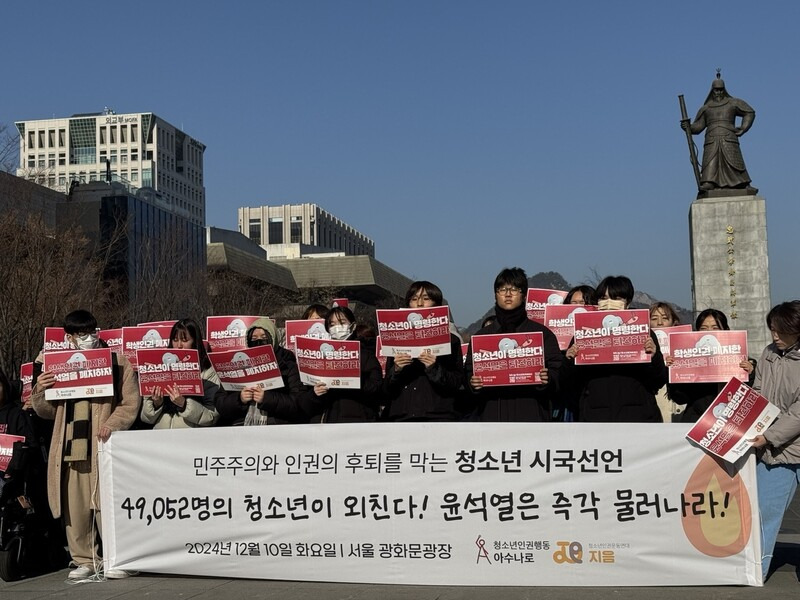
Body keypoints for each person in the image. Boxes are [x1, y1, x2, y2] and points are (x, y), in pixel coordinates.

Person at [30, 310, 141, 580]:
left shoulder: (117, 362)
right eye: (82, 334)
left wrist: (113, 423)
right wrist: (40, 389)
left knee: (107, 506)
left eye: (92, 332)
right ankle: (85, 558)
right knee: (75, 509)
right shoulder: (57, 364)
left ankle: (118, 557)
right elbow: (47, 411)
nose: (89, 338)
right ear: (69, 337)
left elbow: (130, 403)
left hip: (102, 445)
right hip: (71, 446)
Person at [561, 276, 666, 422]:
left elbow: (659, 380)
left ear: (627, 302)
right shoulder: (582, 333)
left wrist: (654, 357)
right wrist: (569, 360)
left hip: (638, 416)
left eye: (616, 298)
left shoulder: (644, 332)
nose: (609, 302)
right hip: (595, 416)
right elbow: (567, 382)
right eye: (603, 298)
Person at [464, 268, 562, 422]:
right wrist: (472, 383)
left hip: (531, 415)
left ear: (524, 295)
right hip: (492, 416)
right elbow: (468, 373)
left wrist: (548, 379)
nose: (508, 294)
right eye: (502, 289)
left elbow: (559, 372)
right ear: (495, 295)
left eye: (514, 289)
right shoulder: (481, 337)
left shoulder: (542, 334)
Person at [748, 301, 800, 579]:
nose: (775, 336)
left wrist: (769, 436)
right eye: (772, 329)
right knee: (761, 512)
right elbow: (758, 392)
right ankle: (755, 569)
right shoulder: (768, 353)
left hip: (775, 441)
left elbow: (798, 413)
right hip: (775, 451)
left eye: (781, 330)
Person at [382, 281, 465, 421]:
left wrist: (434, 368)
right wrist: (396, 370)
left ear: (436, 304)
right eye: (414, 299)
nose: (419, 304)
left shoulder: (451, 340)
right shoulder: (396, 339)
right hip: (402, 416)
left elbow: (456, 383)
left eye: (426, 299)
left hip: (439, 416)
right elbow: (386, 389)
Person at [668, 309, 754, 423]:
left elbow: (749, 397)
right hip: (696, 421)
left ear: (726, 330)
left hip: (728, 422)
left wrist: (750, 374)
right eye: (703, 328)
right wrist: (674, 371)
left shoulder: (741, 362)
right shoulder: (688, 362)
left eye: (715, 328)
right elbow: (680, 399)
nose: (709, 332)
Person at [214, 318, 305, 426]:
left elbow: (299, 403)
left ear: (273, 339)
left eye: (264, 338)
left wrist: (267, 398)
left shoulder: (287, 365)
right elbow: (220, 402)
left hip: (276, 426)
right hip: (240, 426)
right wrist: (240, 399)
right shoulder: (238, 363)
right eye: (254, 338)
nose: (259, 341)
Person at [300, 306, 383, 422]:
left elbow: (377, 388)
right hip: (328, 421)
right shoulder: (321, 355)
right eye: (332, 324)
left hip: (358, 421)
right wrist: (314, 393)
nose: (337, 328)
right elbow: (303, 401)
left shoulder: (365, 354)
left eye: (342, 323)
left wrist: (355, 378)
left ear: (353, 326)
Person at [680, 73, 756, 192]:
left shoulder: (732, 103)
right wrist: (688, 127)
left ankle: (742, 183)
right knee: (711, 161)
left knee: (734, 161)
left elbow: (749, 112)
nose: (718, 92)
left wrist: (744, 127)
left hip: (729, 137)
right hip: (711, 139)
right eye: (716, 90)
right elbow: (698, 127)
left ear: (724, 90)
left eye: (721, 89)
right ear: (712, 90)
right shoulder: (706, 108)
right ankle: (709, 182)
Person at [140, 319, 220, 429]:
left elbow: (212, 416)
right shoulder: (158, 368)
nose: (179, 345)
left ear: (195, 341)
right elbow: (146, 418)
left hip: (189, 437)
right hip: (160, 436)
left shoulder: (208, 373)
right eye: (175, 340)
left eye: (184, 340)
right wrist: (156, 404)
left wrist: (184, 404)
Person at [649, 302, 685, 422]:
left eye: (665, 318)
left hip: (679, 406)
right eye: (654, 318)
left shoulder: (685, 345)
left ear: (673, 322)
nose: (660, 323)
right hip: (655, 402)